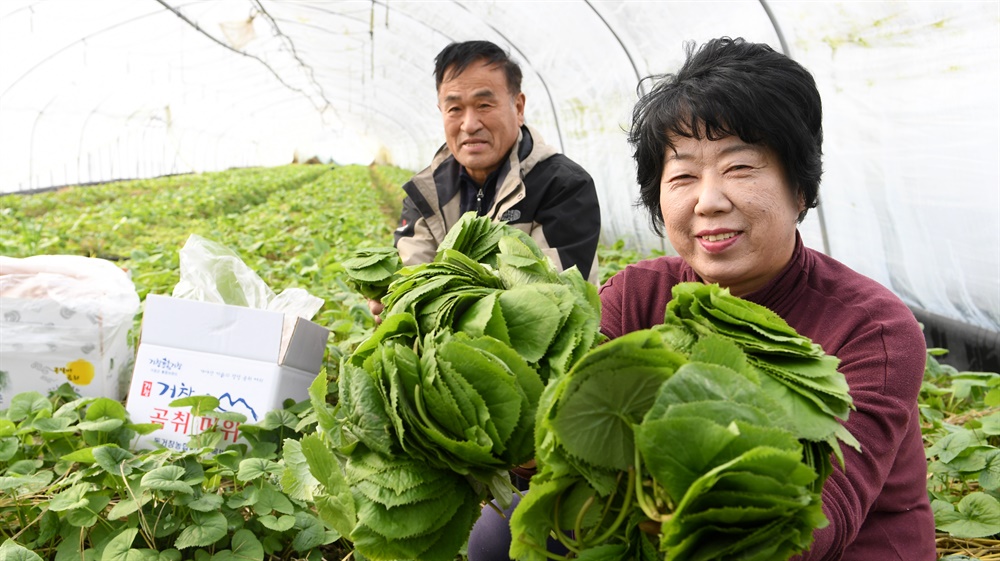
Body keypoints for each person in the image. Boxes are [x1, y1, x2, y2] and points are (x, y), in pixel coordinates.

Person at [598, 37, 935, 560]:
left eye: (740, 168)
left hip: (843, 550)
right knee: (499, 533)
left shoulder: (874, 328)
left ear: (800, 189)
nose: (708, 201)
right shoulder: (635, 296)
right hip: (655, 534)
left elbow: (821, 520)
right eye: (683, 175)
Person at [368, 40, 602, 318]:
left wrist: (440, 303)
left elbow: (549, 305)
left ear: (518, 107)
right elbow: (409, 282)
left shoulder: (562, 185)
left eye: (484, 104)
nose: (469, 124)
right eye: (454, 109)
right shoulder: (426, 192)